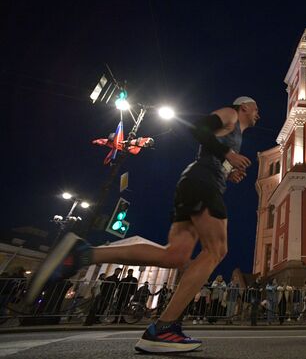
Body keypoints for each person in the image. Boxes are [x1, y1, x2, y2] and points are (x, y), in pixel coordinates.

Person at [26, 97, 260, 353]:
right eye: (256, 108)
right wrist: (228, 155)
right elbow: (198, 129)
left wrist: (228, 169)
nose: (258, 114)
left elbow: (210, 151)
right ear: (244, 106)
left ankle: (84, 254)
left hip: (196, 183)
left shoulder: (235, 133)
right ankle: (164, 328)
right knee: (216, 251)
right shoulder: (231, 114)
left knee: (175, 255)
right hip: (203, 183)